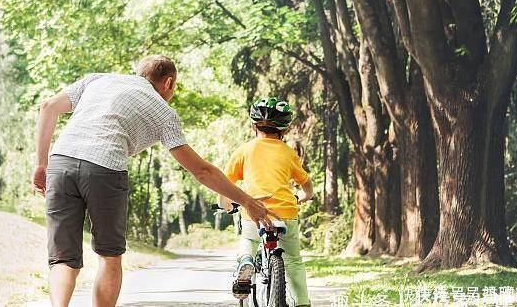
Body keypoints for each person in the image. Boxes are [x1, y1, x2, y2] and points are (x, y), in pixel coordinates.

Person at [31, 55, 278, 307]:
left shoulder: (98, 80)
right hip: (105, 168)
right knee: (109, 256)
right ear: (168, 83)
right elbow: (202, 171)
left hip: (61, 162)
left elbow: (48, 107)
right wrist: (247, 201)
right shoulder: (163, 112)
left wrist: (41, 164)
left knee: (63, 259)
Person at [218, 97, 314, 307]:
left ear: (253, 126)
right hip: (286, 214)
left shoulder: (244, 150)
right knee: (294, 261)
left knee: (250, 240)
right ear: (285, 131)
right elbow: (306, 184)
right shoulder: (289, 153)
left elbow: (225, 183)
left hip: (254, 212)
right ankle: (303, 302)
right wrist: (304, 196)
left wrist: (225, 203)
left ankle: (246, 262)